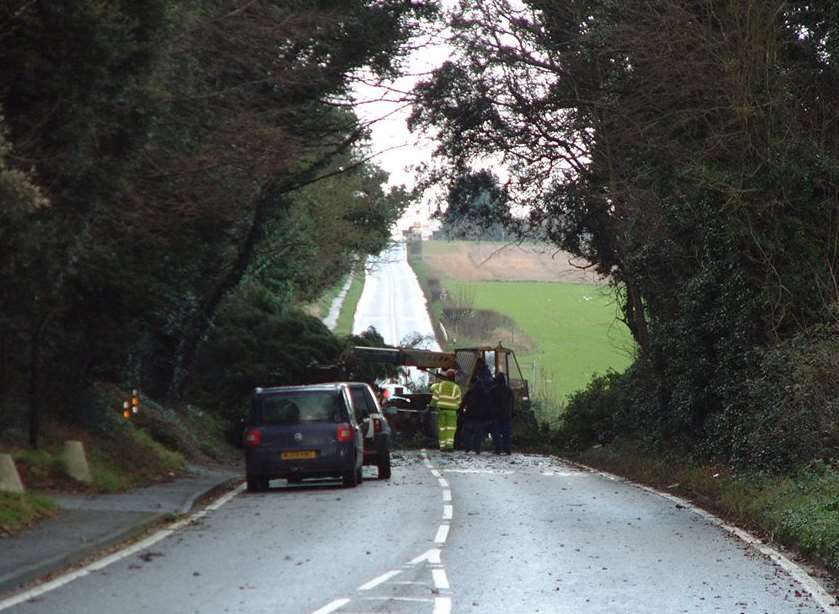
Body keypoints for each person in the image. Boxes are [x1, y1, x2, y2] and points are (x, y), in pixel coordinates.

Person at [459, 365, 493, 453]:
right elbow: (488, 405)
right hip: (480, 417)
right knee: (478, 433)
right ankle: (477, 449)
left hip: (470, 415)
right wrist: (488, 415)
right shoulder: (485, 394)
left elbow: (464, 402)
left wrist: (460, 412)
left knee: (467, 432)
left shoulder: (470, 392)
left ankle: (468, 447)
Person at [430, 369, 461, 451]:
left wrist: (430, 407)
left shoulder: (440, 386)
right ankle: (449, 446)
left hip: (441, 411)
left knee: (442, 429)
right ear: (454, 377)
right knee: (450, 429)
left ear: (446, 377)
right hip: (452, 412)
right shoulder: (456, 387)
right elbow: (459, 401)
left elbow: (434, 398)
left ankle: (442, 447)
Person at [490, 371, 515, 455]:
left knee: (496, 432)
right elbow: (512, 403)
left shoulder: (493, 390)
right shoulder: (509, 391)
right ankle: (507, 449)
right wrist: (511, 413)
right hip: (507, 415)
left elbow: (490, 403)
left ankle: (498, 449)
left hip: (496, 415)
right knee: (507, 433)